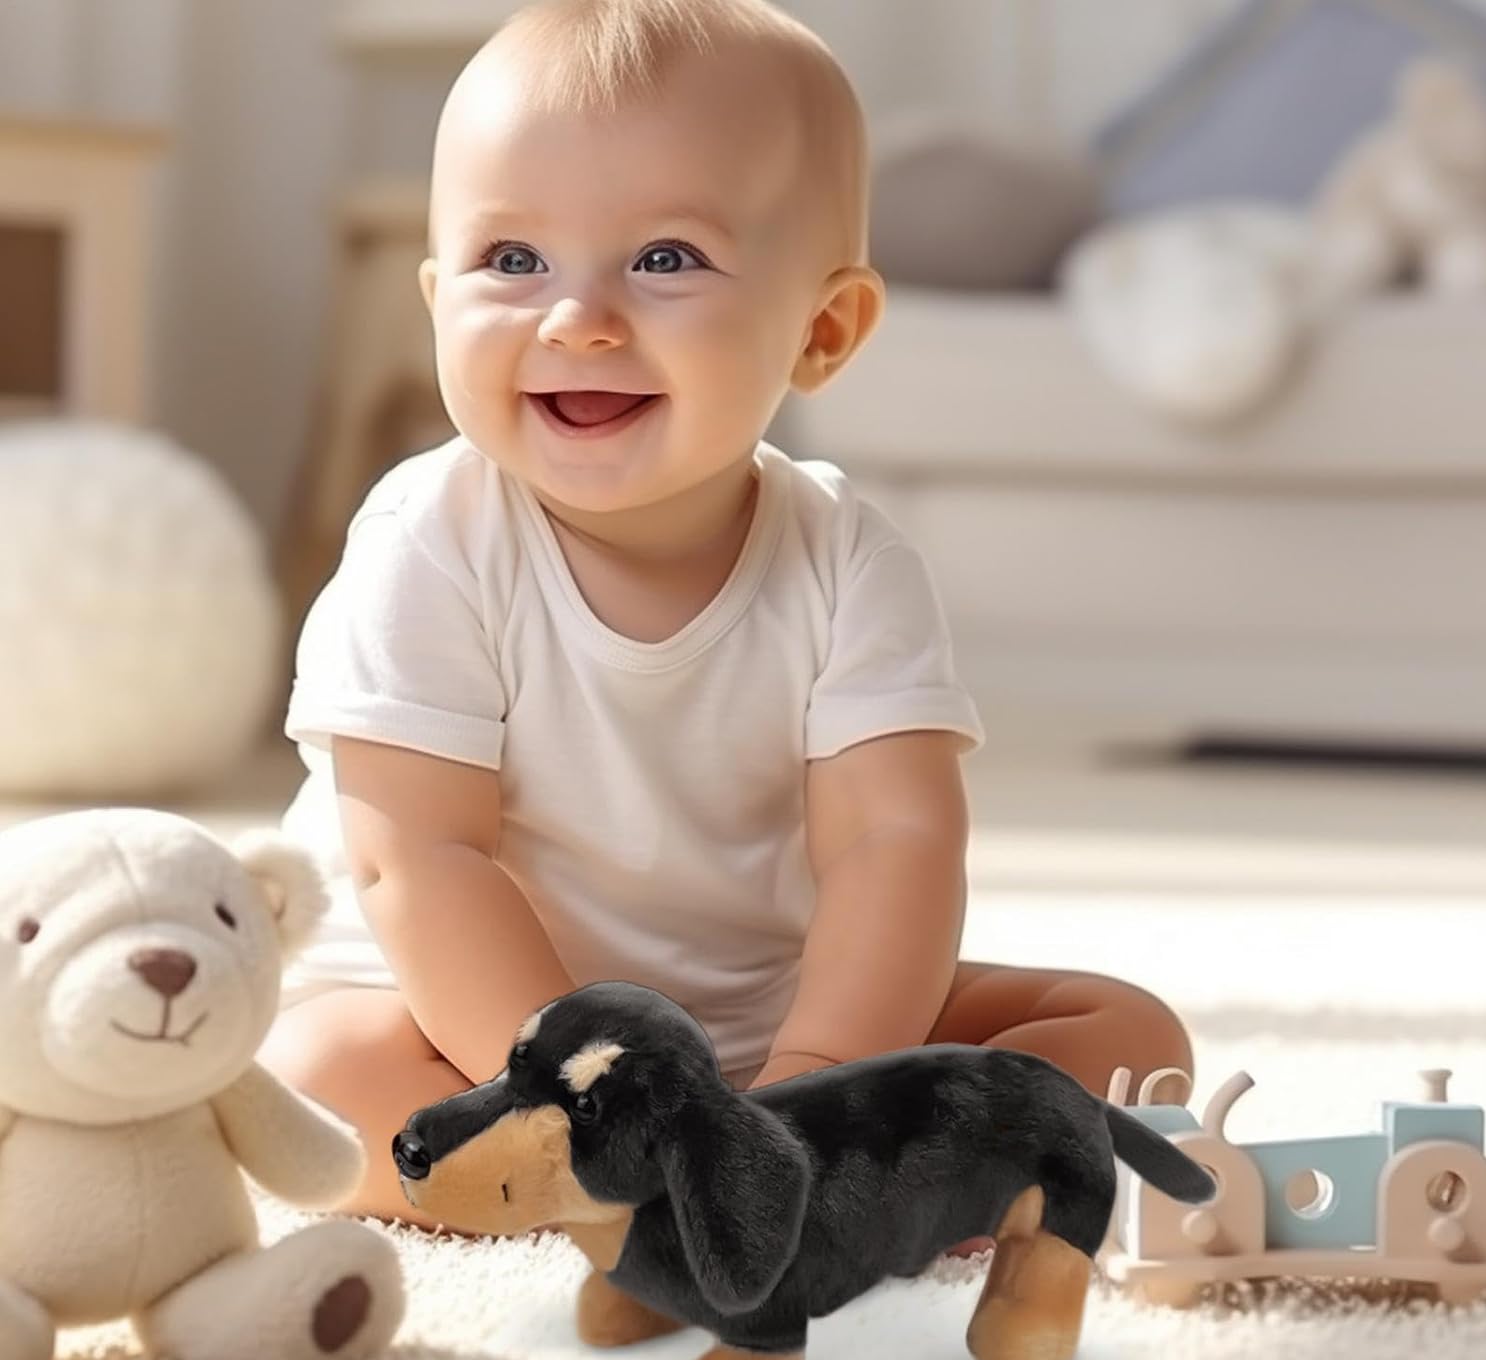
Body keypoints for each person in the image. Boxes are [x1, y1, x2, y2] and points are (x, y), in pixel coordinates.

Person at [262, 0, 1194, 1229]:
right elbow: (420, 859)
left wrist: (818, 1080)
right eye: (514, 259)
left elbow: (893, 845)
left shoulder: (847, 558)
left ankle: (787, 1172)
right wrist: (580, 1103)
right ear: (439, 300)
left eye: (665, 259)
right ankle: (626, 1185)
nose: (576, 318)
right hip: (474, 1031)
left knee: (1126, 1038)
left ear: (822, 329)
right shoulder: (430, 539)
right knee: (322, 1081)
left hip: (775, 1014)